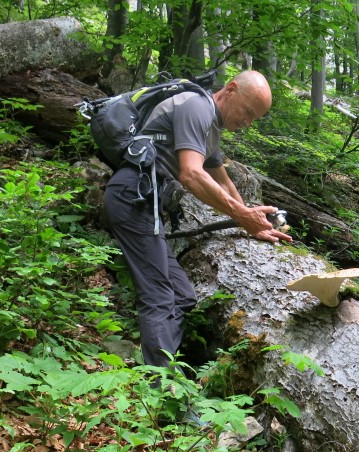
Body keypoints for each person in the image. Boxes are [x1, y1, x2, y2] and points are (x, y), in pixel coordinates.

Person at [103, 70, 293, 372]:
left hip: (145, 204)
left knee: (182, 295)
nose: (247, 123)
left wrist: (254, 220)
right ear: (230, 90)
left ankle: (158, 367)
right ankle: (163, 388)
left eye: (255, 119)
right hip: (132, 198)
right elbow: (191, 173)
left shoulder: (211, 128)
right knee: (159, 296)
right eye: (247, 112)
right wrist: (242, 216)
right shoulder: (196, 107)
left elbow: (225, 182)